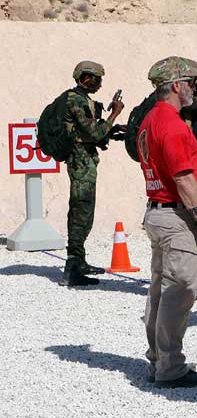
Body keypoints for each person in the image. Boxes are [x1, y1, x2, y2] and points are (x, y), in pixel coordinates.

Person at [139, 56, 197, 389]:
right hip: (174, 215)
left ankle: (158, 359)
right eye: (192, 83)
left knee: (160, 291)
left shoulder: (150, 119)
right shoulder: (171, 124)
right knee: (179, 292)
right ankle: (170, 367)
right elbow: (183, 178)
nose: (195, 88)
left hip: (158, 211)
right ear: (176, 85)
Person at [62, 61, 125, 286]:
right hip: (81, 163)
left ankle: (79, 261)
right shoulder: (76, 100)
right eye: (98, 79)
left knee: (84, 211)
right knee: (81, 211)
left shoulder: (81, 99)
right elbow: (94, 134)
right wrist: (114, 114)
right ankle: (73, 268)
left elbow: (90, 133)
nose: (100, 83)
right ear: (87, 78)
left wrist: (112, 130)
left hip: (84, 161)